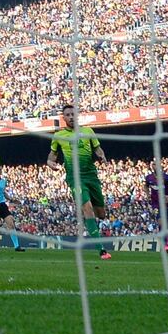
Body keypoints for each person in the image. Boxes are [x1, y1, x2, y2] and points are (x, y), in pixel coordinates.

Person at [47, 105, 112, 260]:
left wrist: (102, 156)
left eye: (72, 114)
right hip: (74, 178)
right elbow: (51, 156)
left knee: (101, 214)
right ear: (64, 118)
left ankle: (90, 222)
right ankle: (101, 250)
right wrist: (50, 163)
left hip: (91, 176)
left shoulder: (88, 131)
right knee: (87, 207)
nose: (70, 117)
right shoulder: (59, 135)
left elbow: (98, 149)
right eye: (67, 115)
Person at [144, 163, 168, 253]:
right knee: (160, 221)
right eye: (153, 164)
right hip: (155, 203)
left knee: (167, 225)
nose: (154, 166)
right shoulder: (149, 178)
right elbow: (145, 186)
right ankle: (166, 244)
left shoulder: (166, 177)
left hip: (166, 203)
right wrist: (147, 194)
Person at [0, 165, 26, 252]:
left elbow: (3, 192)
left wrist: (11, 199)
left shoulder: (3, 181)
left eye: (0, 169)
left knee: (11, 223)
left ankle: (17, 246)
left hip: (2, 204)